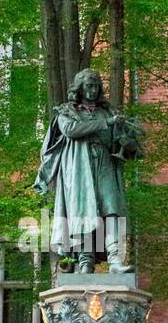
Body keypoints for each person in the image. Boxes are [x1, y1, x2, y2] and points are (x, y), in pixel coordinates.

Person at [34, 68, 143, 273]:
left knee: (111, 209)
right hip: (79, 167)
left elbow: (119, 141)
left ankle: (115, 259)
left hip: (105, 164)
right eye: (88, 86)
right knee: (83, 211)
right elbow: (71, 130)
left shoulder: (106, 112)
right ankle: (86, 261)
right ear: (80, 88)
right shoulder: (67, 111)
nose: (93, 90)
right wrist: (106, 123)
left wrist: (126, 137)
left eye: (96, 86)